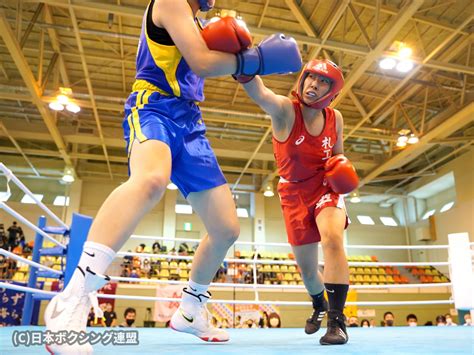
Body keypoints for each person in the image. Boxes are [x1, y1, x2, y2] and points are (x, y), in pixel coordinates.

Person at [44, 0, 301, 352]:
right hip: (153, 108)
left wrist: (248, 64)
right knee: (151, 179)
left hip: (190, 122)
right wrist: (259, 58)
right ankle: (71, 299)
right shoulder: (170, 1)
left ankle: (191, 309)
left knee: (226, 228)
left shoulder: (200, 21)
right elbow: (203, 63)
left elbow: (226, 66)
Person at [238, 59, 358, 345]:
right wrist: (242, 62)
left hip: (325, 188)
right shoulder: (284, 111)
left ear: (332, 91)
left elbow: (337, 155)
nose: (314, 84)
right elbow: (260, 93)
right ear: (302, 80)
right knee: (307, 269)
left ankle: (337, 322)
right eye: (311, 78)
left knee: (332, 239)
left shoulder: (335, 118)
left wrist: (344, 171)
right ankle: (319, 304)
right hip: (293, 194)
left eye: (323, 81)